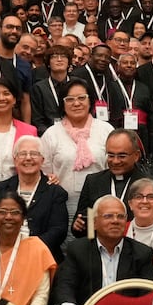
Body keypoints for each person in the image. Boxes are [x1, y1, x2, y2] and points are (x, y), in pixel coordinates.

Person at [50, 194, 153, 305]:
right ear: (94, 222)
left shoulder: (141, 253)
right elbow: (64, 287)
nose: (115, 221)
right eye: (108, 216)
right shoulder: (78, 249)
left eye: (120, 217)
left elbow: (149, 293)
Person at [39, 79, 113, 222]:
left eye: (81, 98)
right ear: (63, 103)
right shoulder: (52, 133)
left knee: (93, 240)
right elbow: (44, 171)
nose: (76, 103)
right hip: (61, 203)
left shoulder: (105, 130)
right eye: (70, 99)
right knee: (69, 243)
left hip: (99, 203)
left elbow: (113, 166)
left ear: (90, 101)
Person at [0, 134, 69, 254]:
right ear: (15, 160)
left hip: (40, 254)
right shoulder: (0, 189)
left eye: (34, 154)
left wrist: (29, 249)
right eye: (23, 154)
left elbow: (58, 230)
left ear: (42, 160)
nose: (28, 158)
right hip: (2, 251)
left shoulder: (55, 192)